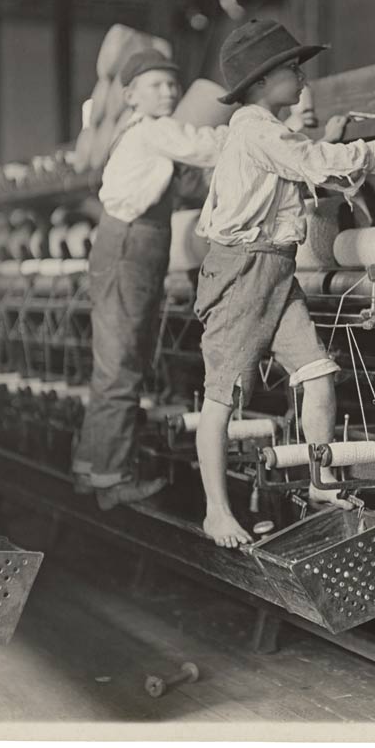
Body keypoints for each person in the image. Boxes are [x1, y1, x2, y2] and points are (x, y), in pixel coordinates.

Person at [193, 19, 375, 548]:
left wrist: (337, 148)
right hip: (243, 271)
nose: (303, 78)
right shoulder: (256, 128)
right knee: (221, 398)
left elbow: (314, 166)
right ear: (259, 82)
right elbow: (318, 163)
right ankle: (215, 511)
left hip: (276, 268)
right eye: (292, 69)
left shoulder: (269, 130)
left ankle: (321, 481)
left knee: (318, 374)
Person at [74, 49, 229, 510]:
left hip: (130, 245)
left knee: (116, 363)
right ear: (130, 95)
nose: (168, 92)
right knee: (122, 365)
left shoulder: (143, 134)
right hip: (131, 247)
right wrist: (255, 128)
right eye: (156, 85)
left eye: (172, 84)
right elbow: (207, 146)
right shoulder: (153, 129)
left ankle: (92, 467)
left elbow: (188, 182)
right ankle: (112, 480)